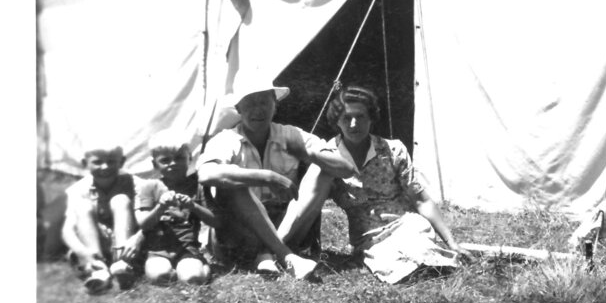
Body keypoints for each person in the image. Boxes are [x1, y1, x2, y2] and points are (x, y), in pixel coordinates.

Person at [278, 84, 470, 284]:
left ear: (371, 118)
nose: (354, 124)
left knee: (424, 255)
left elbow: (421, 200)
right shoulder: (328, 157)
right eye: (346, 118)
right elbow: (306, 202)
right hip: (368, 237)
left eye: (360, 117)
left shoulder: (393, 150)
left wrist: (451, 242)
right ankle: (278, 247)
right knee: (394, 265)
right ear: (337, 121)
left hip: (407, 224)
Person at [197, 73, 355, 280]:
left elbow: (346, 168)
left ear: (275, 105)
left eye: (264, 102)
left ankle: (268, 253)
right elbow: (206, 173)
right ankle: (286, 256)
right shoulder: (226, 139)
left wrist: (308, 154)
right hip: (240, 236)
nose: (258, 110)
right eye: (250, 103)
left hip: (286, 226)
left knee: (323, 169)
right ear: (238, 109)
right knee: (234, 181)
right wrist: (266, 176)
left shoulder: (290, 134)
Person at [61, 141, 144, 293]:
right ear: (85, 163)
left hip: (128, 242)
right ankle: (98, 269)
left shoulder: (137, 184)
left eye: (111, 161)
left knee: (120, 200)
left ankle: (122, 265)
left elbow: (150, 220)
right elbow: (68, 230)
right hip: (95, 243)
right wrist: (82, 252)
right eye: (97, 162)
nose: (105, 167)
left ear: (122, 162)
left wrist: (137, 239)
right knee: (83, 206)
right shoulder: (77, 190)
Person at [135, 130, 215, 285]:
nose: (173, 163)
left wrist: (193, 206)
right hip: (158, 251)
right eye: (165, 160)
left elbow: (215, 221)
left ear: (189, 158)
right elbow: (144, 223)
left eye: (179, 158)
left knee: (192, 278)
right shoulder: (150, 187)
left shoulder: (198, 185)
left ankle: (202, 267)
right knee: (159, 276)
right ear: (155, 164)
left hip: (188, 249)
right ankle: (176, 270)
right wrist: (160, 207)